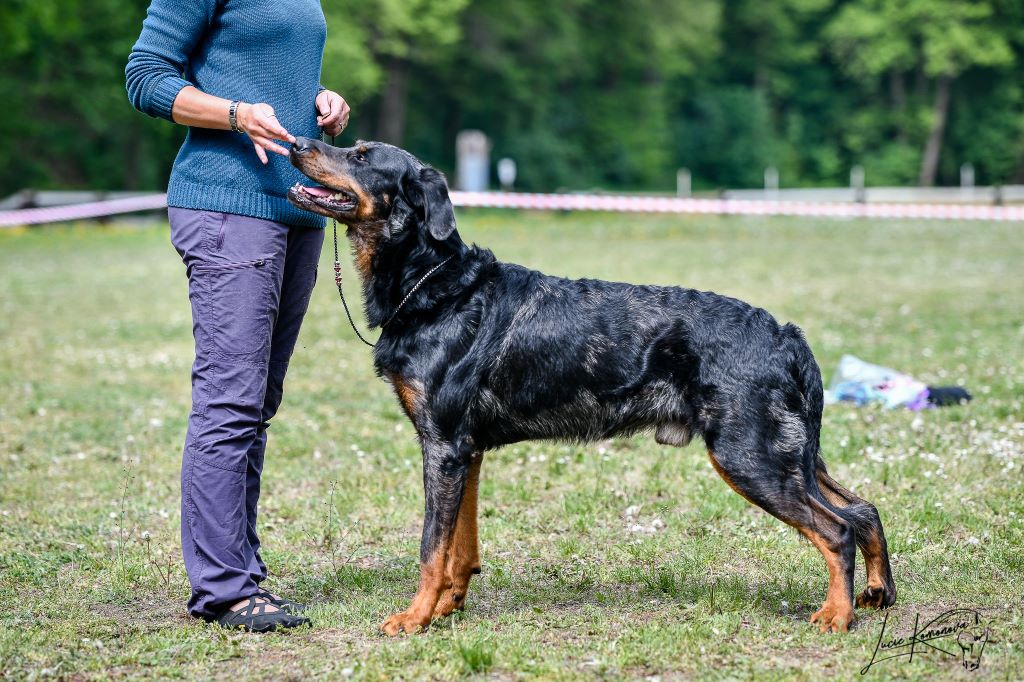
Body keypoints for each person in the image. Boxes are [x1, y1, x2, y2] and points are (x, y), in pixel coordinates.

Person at [125, 0, 349, 632]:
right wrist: (234, 114)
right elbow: (145, 77)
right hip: (227, 204)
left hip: (298, 208)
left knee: (258, 402)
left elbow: (267, 70)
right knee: (231, 398)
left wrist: (321, 102)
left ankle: (239, 567)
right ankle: (223, 589)